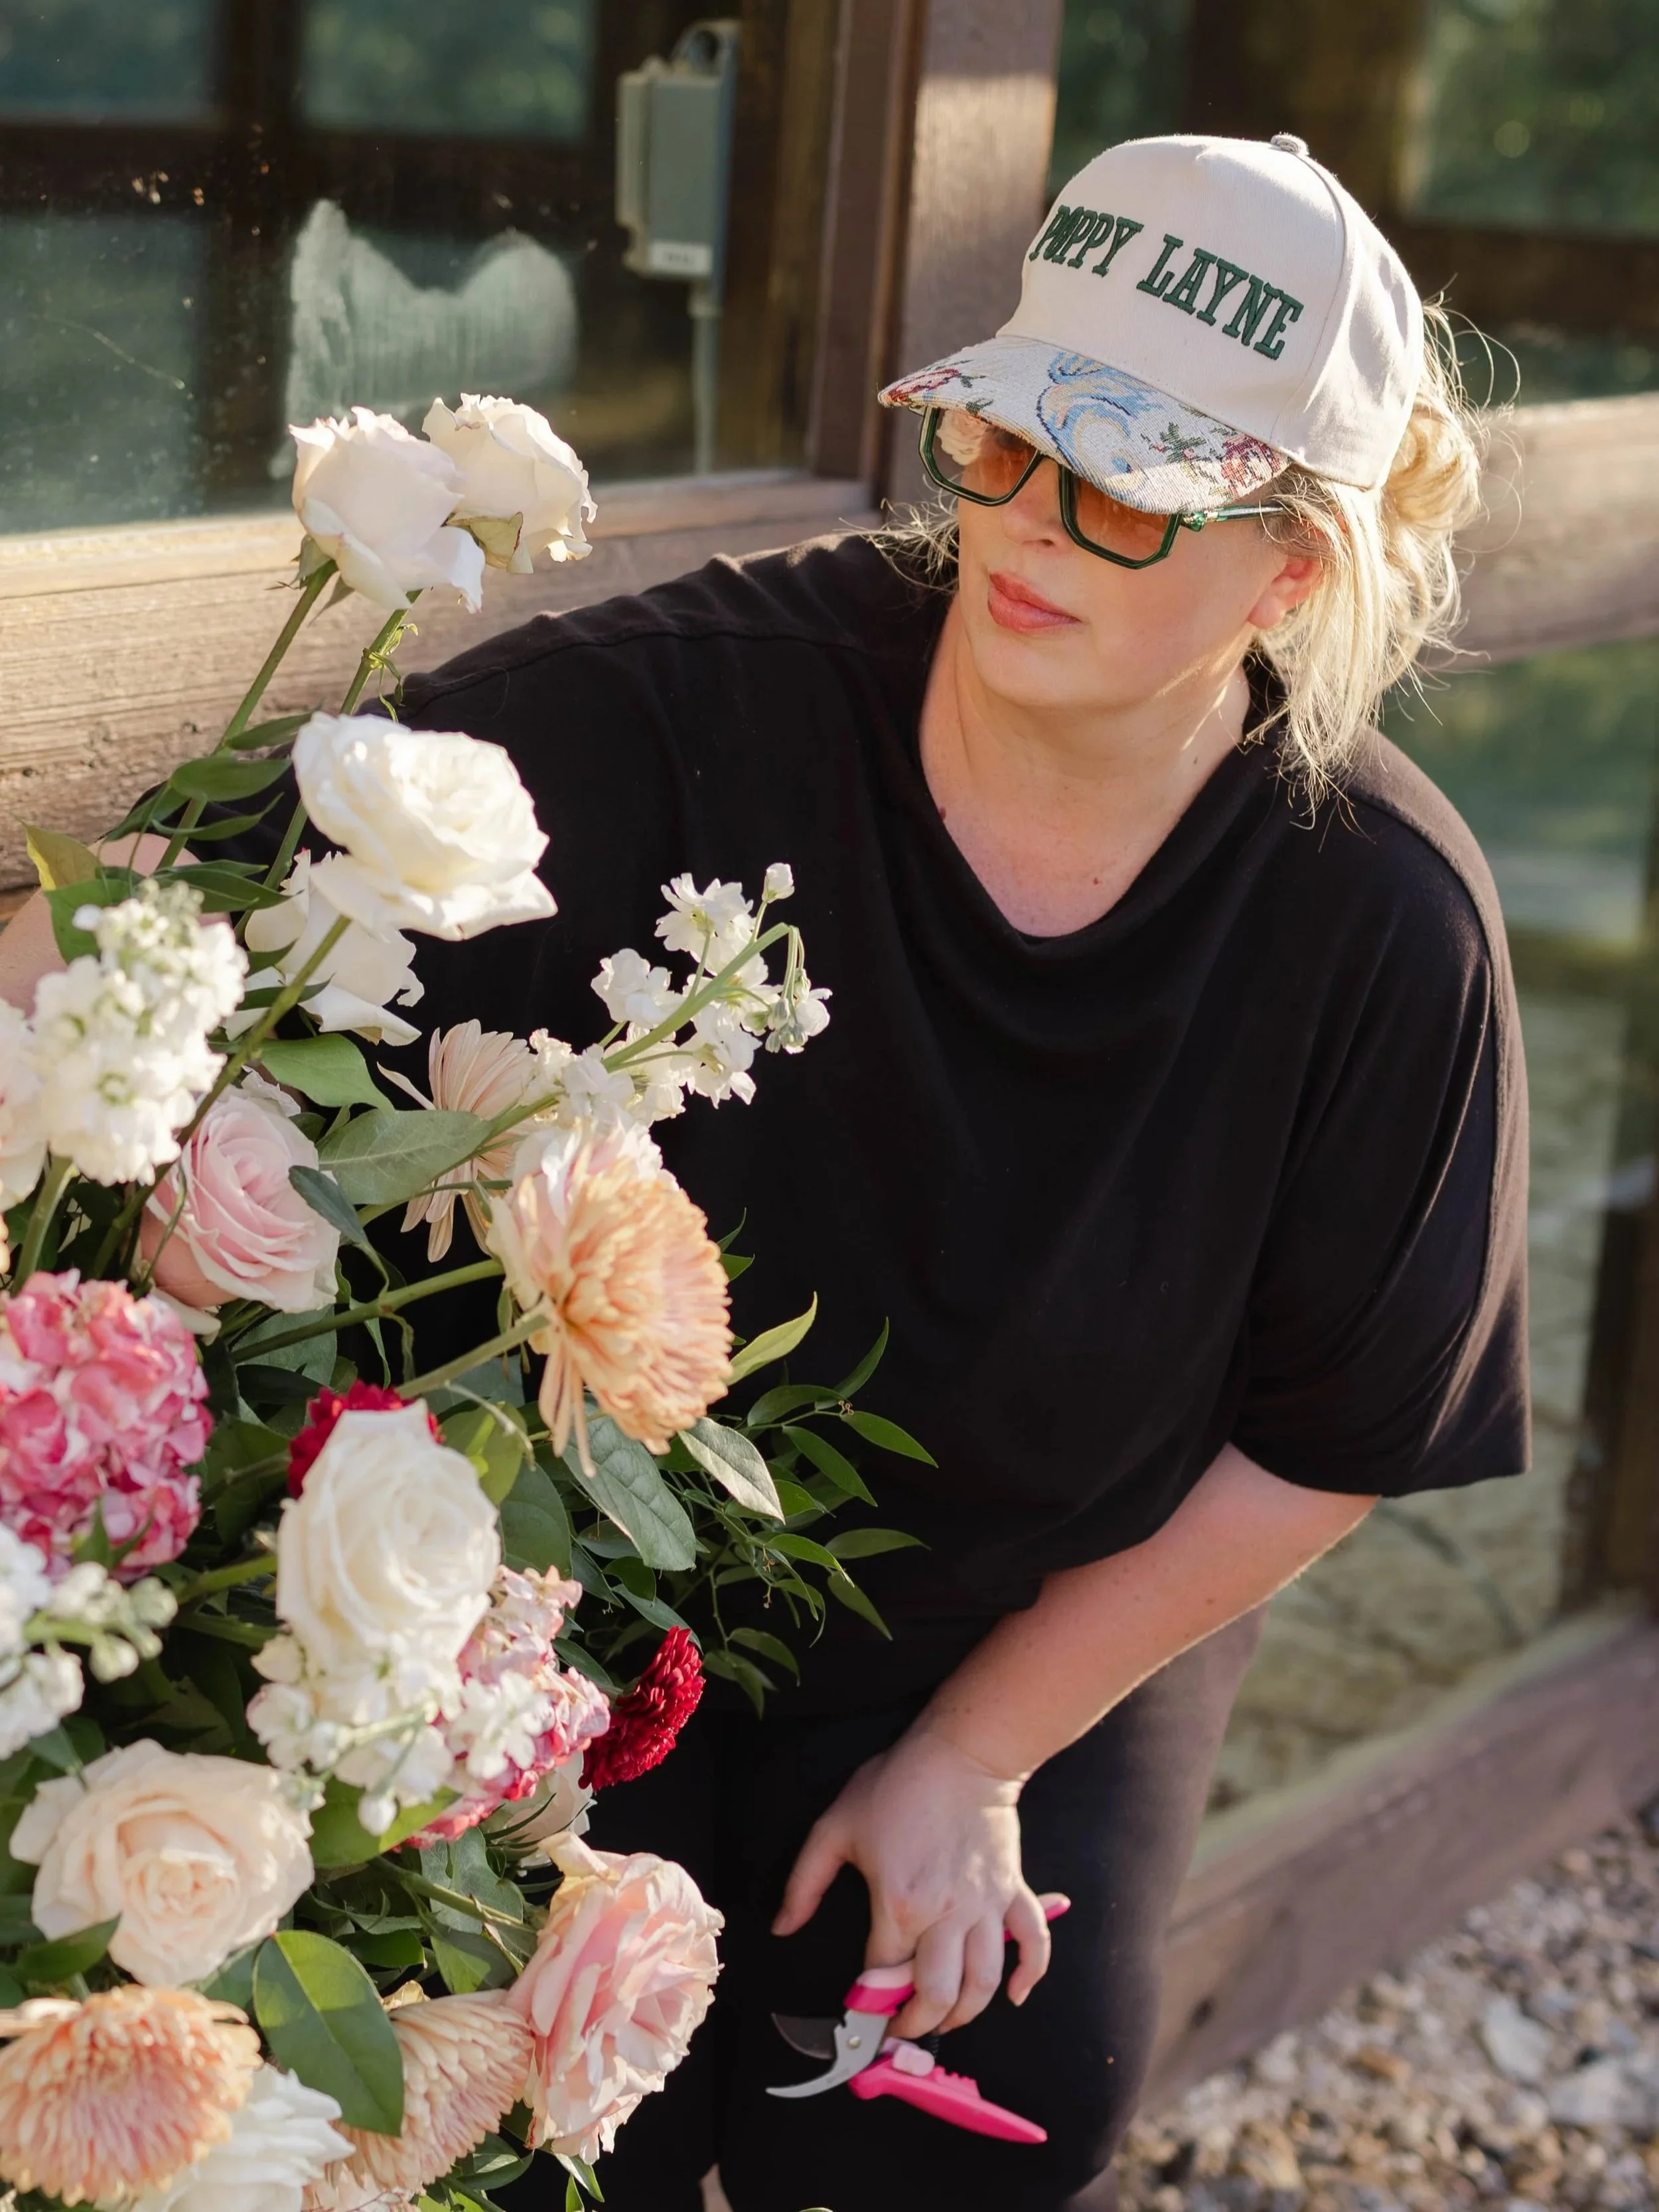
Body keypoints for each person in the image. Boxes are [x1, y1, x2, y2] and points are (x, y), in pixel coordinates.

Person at [0, 133, 1529, 2212]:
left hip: (1029, 1602)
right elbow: (142, 920)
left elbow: (1332, 1433)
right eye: (1002, 441)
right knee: (527, 2130)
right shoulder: (687, 709)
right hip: (586, 1587)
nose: (1025, 522)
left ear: (1290, 571)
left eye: (1122, 488)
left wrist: (977, 1754)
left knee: (951, 2116)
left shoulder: (1380, 918)